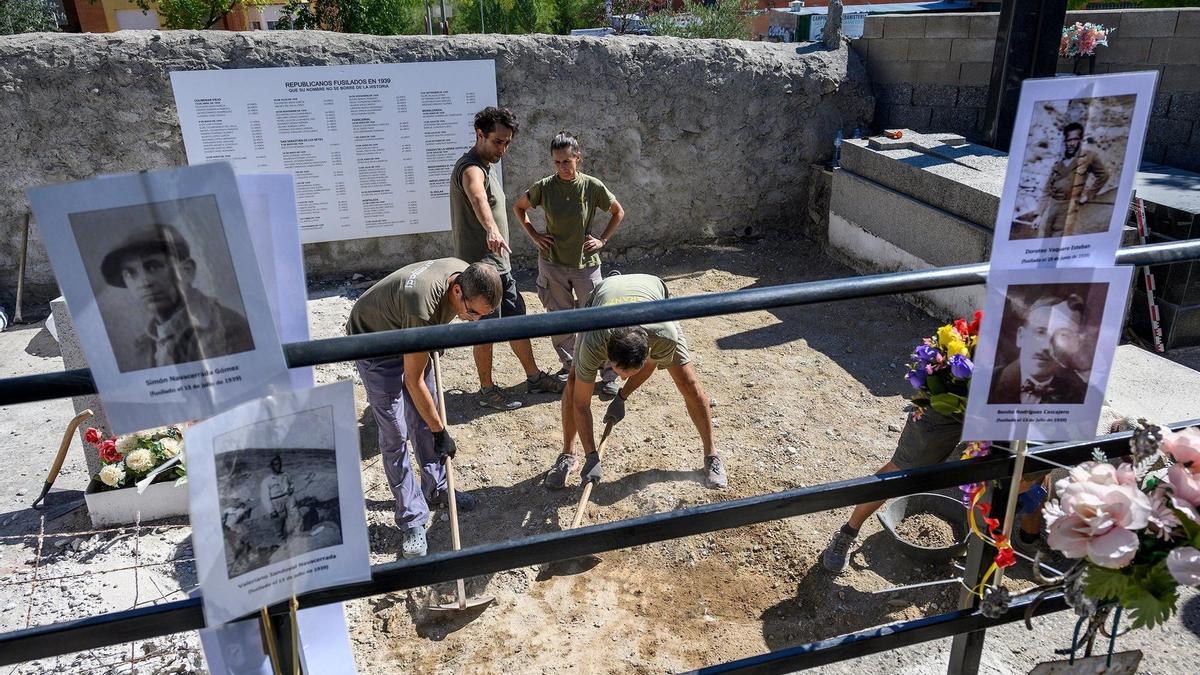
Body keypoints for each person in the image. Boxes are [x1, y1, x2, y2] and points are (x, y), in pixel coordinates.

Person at [347, 258, 502, 558]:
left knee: (424, 415)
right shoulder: (422, 307)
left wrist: (435, 335)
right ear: (457, 291)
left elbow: (429, 330)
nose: (473, 321)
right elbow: (413, 380)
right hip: (373, 342)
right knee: (395, 432)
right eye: (471, 313)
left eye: (481, 317)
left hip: (408, 330)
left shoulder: (463, 270)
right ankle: (412, 519)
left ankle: (436, 488)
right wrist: (441, 431)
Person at [543, 273, 727, 490]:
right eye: (618, 372)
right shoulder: (595, 341)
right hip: (603, 297)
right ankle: (568, 454)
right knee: (574, 383)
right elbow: (581, 404)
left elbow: (650, 365)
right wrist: (592, 456)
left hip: (653, 296)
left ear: (646, 354)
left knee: (689, 383)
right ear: (608, 358)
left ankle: (711, 456)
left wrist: (622, 396)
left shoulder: (664, 335)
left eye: (627, 374)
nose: (620, 379)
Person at [449, 106, 564, 411]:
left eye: (508, 142)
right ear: (480, 134)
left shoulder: (487, 166)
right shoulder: (472, 168)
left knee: (517, 322)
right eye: (498, 141)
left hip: (500, 266)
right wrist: (491, 229)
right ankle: (486, 389)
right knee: (484, 332)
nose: (503, 148)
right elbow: (476, 197)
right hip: (481, 272)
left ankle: (534, 377)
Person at [512, 131, 626, 400]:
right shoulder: (544, 187)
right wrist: (535, 235)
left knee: (598, 319)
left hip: (586, 264)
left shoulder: (591, 186)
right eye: (557, 162)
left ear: (578, 158)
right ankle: (571, 368)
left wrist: (602, 240)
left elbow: (617, 211)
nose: (562, 167)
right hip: (552, 264)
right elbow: (519, 208)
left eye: (567, 161)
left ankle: (609, 374)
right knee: (560, 319)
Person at [100, 223, 254, 371]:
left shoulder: (226, 328)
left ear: (186, 271)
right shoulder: (146, 345)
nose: (144, 282)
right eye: (130, 273)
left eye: (153, 266)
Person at [989, 294, 1090, 405]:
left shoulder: (1083, 395)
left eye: (1062, 336)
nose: (1046, 346)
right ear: (1021, 336)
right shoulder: (989, 382)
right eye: (1040, 332)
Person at [1035, 121, 1112, 237]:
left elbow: (1103, 175)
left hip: (1069, 206)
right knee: (1043, 238)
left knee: (1058, 239)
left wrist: (1088, 195)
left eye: (1074, 139)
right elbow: (1047, 190)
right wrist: (1039, 215)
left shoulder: (1089, 157)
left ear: (1080, 140)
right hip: (1052, 207)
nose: (1071, 143)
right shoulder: (1058, 162)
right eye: (1068, 140)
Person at [260, 454, 300, 542]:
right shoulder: (267, 481)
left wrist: (291, 489)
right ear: (271, 466)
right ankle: (280, 541)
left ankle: (297, 536)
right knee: (279, 522)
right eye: (276, 464)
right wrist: (271, 510)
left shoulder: (286, 475)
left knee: (295, 517)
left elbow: (291, 483)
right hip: (276, 502)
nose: (279, 466)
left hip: (288, 498)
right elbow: (265, 497)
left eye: (279, 463)